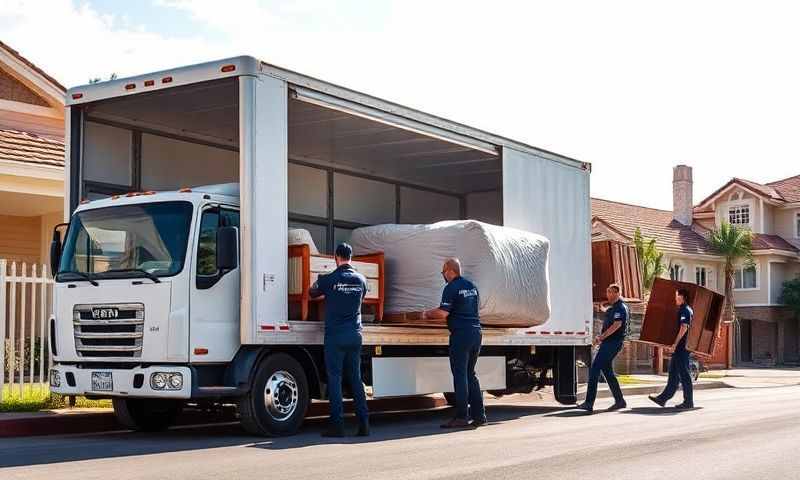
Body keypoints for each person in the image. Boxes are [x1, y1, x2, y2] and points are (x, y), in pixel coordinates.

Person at [309, 243, 370, 437]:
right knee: (356, 380)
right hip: (355, 335)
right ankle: (364, 425)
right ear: (351, 257)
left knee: (335, 379)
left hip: (335, 337)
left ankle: (337, 426)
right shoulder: (361, 280)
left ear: (336, 257)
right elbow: (362, 299)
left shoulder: (329, 279)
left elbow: (312, 292)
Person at [422, 258, 487, 429]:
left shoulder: (451, 287)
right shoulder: (472, 287)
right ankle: (479, 416)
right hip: (476, 333)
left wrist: (426, 314)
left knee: (460, 375)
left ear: (450, 270)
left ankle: (461, 417)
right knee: (470, 374)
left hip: (461, 335)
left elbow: (443, 313)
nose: (442, 275)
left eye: (443, 272)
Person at [577, 283, 629, 413]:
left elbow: (617, 325)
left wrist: (601, 337)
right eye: (607, 292)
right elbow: (610, 315)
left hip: (612, 343)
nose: (608, 294)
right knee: (608, 373)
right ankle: (620, 401)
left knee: (595, 369)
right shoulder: (614, 308)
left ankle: (589, 403)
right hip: (609, 343)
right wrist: (602, 308)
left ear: (617, 293)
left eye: (611, 292)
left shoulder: (620, 308)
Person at [649, 288, 695, 409]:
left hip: (682, 347)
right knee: (673, 374)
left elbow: (684, 327)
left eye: (676, 296)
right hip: (680, 347)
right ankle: (662, 399)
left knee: (684, 374)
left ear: (682, 297)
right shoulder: (683, 309)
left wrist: (675, 344)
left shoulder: (685, 310)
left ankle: (688, 401)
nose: (675, 298)